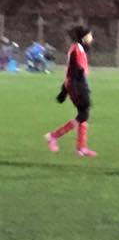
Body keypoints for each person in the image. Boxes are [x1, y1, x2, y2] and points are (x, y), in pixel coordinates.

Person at [45, 26, 97, 157]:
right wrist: (69, 89)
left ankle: (81, 148)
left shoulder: (78, 48)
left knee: (83, 114)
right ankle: (54, 136)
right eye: (90, 35)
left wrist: (65, 90)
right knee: (83, 115)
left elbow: (72, 71)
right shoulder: (77, 50)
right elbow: (74, 72)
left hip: (77, 84)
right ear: (84, 37)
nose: (92, 38)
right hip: (77, 85)